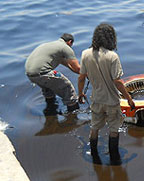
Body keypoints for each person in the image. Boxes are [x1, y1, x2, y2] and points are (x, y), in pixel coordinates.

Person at [77, 23, 135, 165]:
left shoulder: (85, 54)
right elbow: (118, 82)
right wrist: (129, 98)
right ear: (111, 39)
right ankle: (114, 159)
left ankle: (95, 157)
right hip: (112, 101)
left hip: (96, 99)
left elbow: (81, 77)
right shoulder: (112, 56)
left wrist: (80, 93)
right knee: (114, 129)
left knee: (95, 127)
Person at [25, 33, 81, 113]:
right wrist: (88, 74)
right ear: (70, 42)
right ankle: (73, 115)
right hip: (44, 73)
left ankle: (50, 109)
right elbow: (78, 68)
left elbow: (70, 66)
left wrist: (82, 73)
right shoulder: (65, 47)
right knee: (68, 88)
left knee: (48, 88)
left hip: (31, 74)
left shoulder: (51, 45)